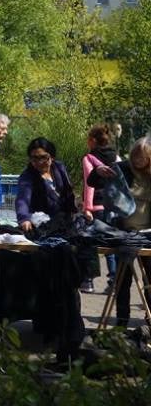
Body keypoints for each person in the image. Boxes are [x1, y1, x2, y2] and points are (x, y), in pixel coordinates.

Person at [87, 136, 151, 327]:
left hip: (148, 232)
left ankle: (149, 317)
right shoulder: (122, 168)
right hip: (124, 232)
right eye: (136, 155)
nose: (138, 160)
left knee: (150, 277)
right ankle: (122, 320)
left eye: (142, 157)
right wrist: (97, 172)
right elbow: (93, 182)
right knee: (123, 279)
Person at [82, 123, 120, 293]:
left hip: (96, 205)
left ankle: (88, 281)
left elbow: (89, 185)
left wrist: (87, 208)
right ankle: (113, 280)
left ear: (92, 141)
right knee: (110, 242)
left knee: (90, 241)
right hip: (114, 206)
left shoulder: (89, 158)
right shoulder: (117, 158)